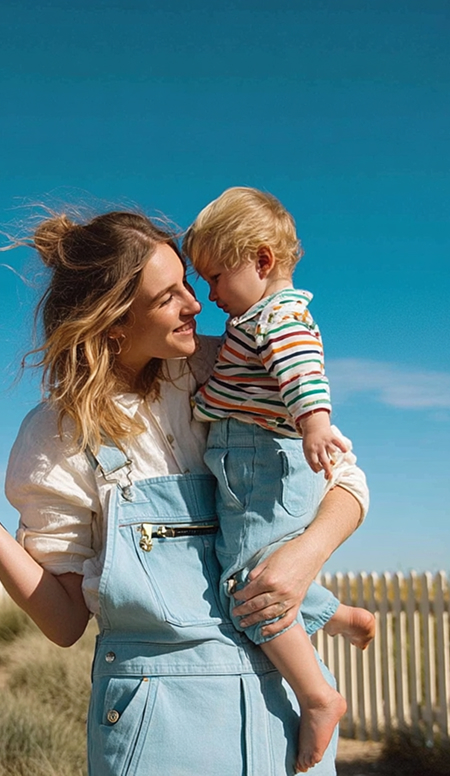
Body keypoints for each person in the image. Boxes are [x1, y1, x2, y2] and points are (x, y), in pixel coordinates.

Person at [0, 208, 370, 775]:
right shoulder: (55, 437)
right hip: (160, 726)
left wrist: (303, 558)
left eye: (190, 286)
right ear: (114, 320)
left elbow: (344, 479)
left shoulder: (229, 363)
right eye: (168, 296)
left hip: (288, 707)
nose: (196, 306)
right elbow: (64, 621)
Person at [184, 186, 374, 771]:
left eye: (215, 278)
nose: (209, 296)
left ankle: (318, 696)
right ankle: (335, 615)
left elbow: (301, 369)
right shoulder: (254, 319)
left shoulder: (277, 317)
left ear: (261, 261)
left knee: (249, 589)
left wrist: (315, 423)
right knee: (254, 570)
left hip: (263, 464)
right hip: (255, 466)